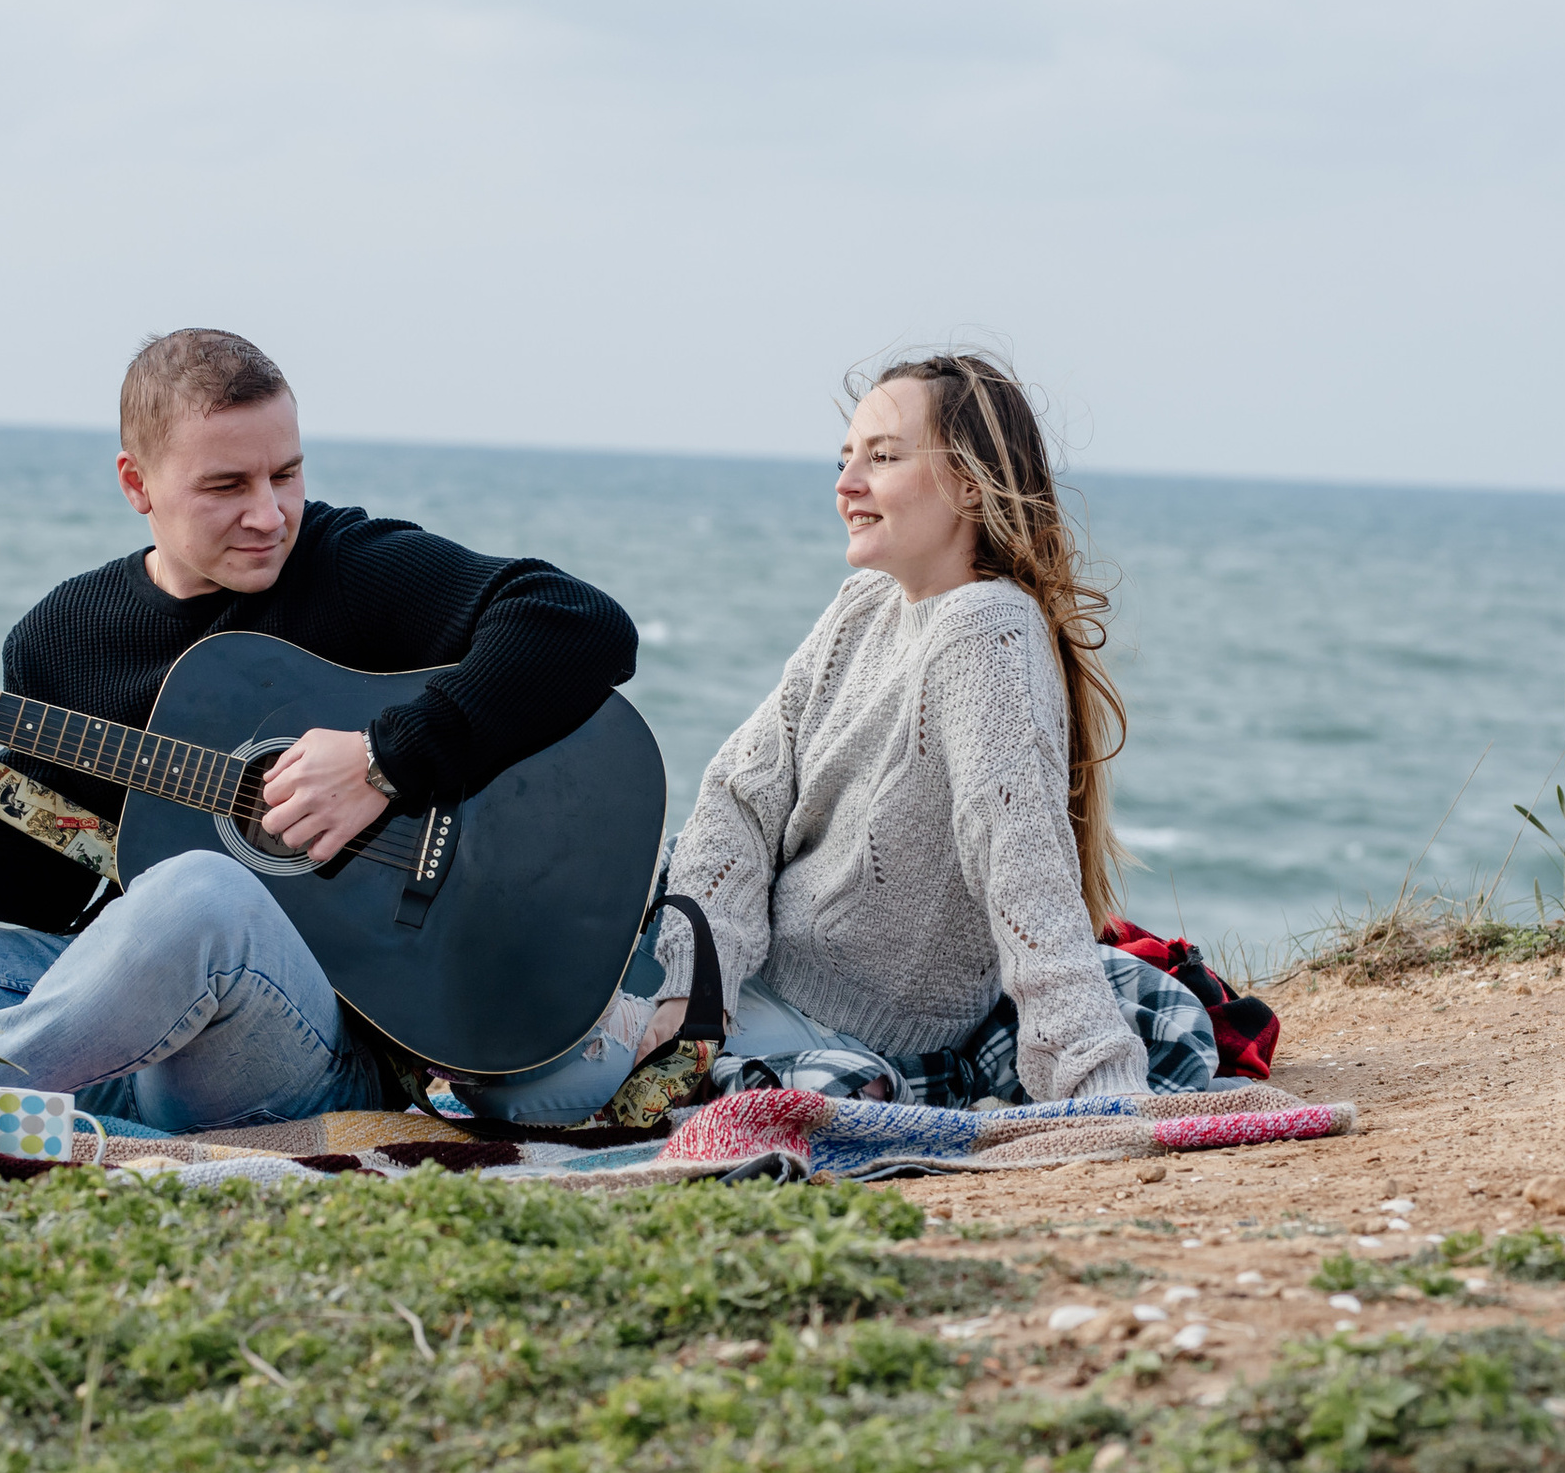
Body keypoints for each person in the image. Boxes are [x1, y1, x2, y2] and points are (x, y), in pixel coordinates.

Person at [0, 328, 638, 1138]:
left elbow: (576, 623)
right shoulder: (61, 637)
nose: (270, 515)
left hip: (298, 1052)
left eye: (287, 473)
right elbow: (45, 895)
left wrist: (385, 760)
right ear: (138, 484)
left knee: (202, 895)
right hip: (121, 1022)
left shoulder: (341, 565)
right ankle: (37, 1104)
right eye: (227, 485)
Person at [456, 350, 1176, 1126]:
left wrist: (1098, 1086)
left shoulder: (985, 629)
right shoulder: (864, 605)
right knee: (482, 979)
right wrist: (696, 989)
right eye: (846, 458)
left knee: (505, 1074)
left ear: (970, 481)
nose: (847, 484)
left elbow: (1021, 856)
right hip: (743, 964)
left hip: (831, 1024)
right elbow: (741, 795)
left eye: (884, 457)